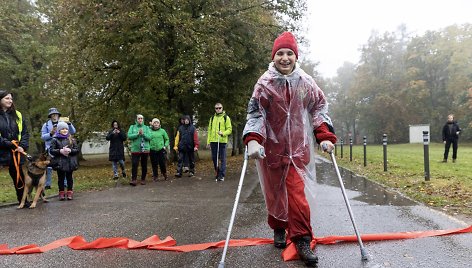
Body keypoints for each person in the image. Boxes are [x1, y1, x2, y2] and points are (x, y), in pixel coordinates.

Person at [242, 32, 336, 267]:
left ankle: (302, 239)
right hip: (271, 151)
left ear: (296, 56)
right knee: (275, 195)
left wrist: (324, 135)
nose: (285, 58)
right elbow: (256, 113)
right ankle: (279, 227)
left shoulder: (306, 82)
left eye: (289, 53)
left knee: (297, 196)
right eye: (280, 53)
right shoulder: (265, 83)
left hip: (297, 149)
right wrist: (253, 139)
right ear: (273, 57)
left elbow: (319, 107)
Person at [0, 90, 30, 206]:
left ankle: (23, 201)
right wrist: (10, 144)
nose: (10, 101)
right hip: (3, 150)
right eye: (7, 98)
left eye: (11, 99)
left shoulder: (17, 114)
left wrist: (22, 146)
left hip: (16, 152)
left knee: (19, 177)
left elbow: (25, 133)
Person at [41, 107, 76, 189]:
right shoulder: (46, 125)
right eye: (52, 114)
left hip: (64, 147)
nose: (54, 116)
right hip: (51, 149)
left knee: (64, 165)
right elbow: (43, 137)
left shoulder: (63, 123)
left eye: (56, 114)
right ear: (50, 116)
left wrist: (69, 123)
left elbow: (73, 131)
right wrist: (51, 133)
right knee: (49, 166)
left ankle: (65, 183)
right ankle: (48, 184)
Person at [49, 121, 79, 200]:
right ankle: (61, 192)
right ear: (58, 130)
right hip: (60, 162)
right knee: (61, 178)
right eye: (62, 129)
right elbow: (51, 150)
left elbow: (76, 150)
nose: (65, 130)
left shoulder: (71, 139)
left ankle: (70, 192)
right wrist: (60, 151)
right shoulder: (55, 139)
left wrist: (70, 150)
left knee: (69, 178)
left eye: (66, 129)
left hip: (70, 162)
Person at [206, 103, 232, 181]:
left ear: (222, 108)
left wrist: (223, 133)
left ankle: (222, 175)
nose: (218, 109)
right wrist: (208, 142)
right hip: (213, 141)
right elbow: (209, 130)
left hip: (222, 141)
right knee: (214, 158)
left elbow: (229, 129)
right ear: (215, 109)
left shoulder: (226, 118)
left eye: (219, 108)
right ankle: (217, 173)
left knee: (222, 158)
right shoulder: (212, 118)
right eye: (216, 108)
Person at [127, 114, 151, 186]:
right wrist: (137, 134)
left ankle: (143, 179)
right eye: (139, 118)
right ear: (136, 120)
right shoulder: (132, 127)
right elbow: (129, 136)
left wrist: (143, 134)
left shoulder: (146, 127)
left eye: (141, 118)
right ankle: (134, 180)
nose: (140, 120)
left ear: (143, 120)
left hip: (145, 149)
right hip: (135, 149)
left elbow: (149, 137)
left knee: (144, 164)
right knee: (134, 164)